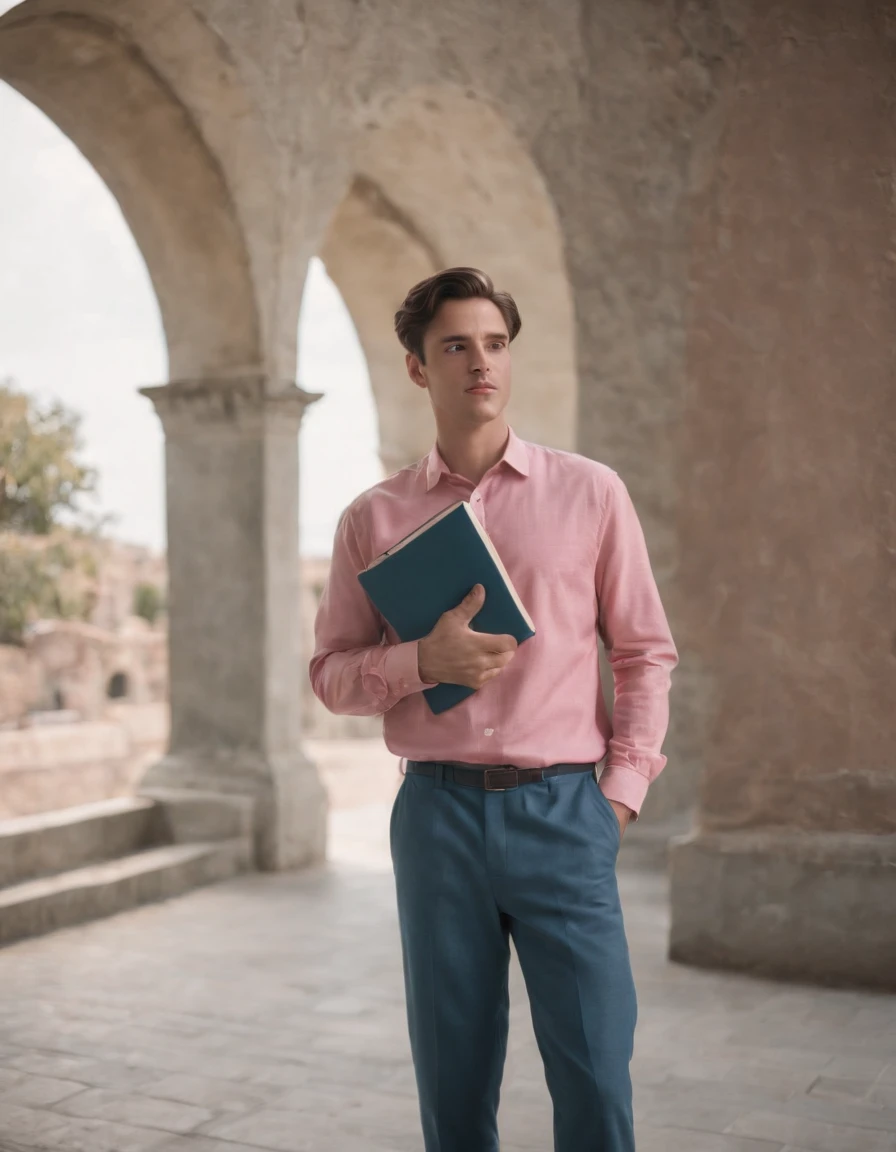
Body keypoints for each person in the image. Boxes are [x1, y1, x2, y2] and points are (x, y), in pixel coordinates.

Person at [309, 267, 678, 1152]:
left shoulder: (592, 492)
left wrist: (620, 791)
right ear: (417, 368)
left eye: (497, 344)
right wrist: (415, 661)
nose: (482, 363)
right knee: (454, 1079)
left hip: (565, 811)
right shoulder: (374, 517)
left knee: (594, 1074)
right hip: (434, 816)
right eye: (457, 346)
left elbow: (643, 650)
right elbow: (329, 672)